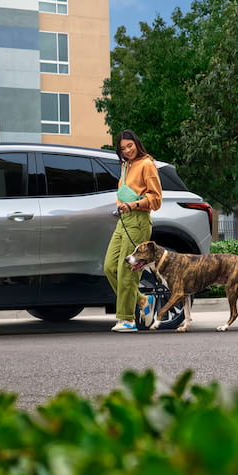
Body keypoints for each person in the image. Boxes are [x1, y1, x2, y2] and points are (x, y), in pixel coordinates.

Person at [104, 130, 163, 332]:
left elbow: (156, 199)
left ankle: (127, 319)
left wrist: (134, 205)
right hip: (123, 220)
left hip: (138, 220)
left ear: (137, 143)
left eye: (130, 145)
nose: (128, 150)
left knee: (127, 270)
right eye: (123, 148)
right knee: (110, 267)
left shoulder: (147, 164)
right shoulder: (125, 166)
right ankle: (143, 300)